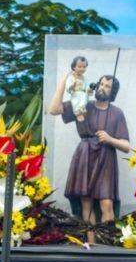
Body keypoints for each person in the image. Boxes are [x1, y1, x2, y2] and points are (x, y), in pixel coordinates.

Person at [49, 71, 131, 238]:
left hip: (106, 157)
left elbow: (126, 146)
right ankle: (91, 246)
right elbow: (53, 109)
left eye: (107, 86)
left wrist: (110, 139)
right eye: (101, 84)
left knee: (106, 204)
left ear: (113, 91)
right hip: (85, 155)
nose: (103, 88)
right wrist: (64, 82)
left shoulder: (117, 113)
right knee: (87, 205)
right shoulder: (83, 104)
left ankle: (108, 244)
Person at [65, 56, 91, 134]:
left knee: (83, 96)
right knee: (78, 99)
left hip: (83, 94)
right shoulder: (71, 77)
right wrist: (72, 86)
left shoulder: (85, 78)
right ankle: (78, 112)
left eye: (84, 67)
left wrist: (89, 90)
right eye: (79, 67)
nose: (82, 69)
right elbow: (68, 88)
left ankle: (82, 109)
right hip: (75, 94)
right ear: (74, 67)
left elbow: (87, 87)